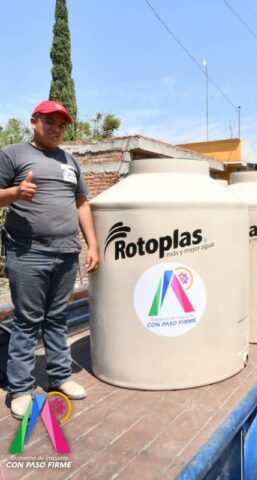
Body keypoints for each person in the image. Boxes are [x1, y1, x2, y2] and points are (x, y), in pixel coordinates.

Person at [0, 100, 99, 420]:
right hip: (28, 253)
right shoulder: (13, 154)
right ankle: (20, 390)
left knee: (57, 318)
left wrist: (92, 245)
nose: (56, 129)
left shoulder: (70, 161)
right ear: (34, 121)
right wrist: (15, 193)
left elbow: (82, 203)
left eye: (61, 125)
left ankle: (59, 377)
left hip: (66, 253)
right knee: (27, 321)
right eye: (49, 122)